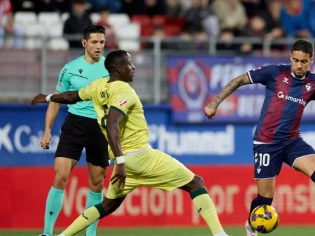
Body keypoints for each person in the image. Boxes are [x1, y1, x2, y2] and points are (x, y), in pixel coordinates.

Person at [31, 50, 229, 236]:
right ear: (118, 69)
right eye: (129, 63)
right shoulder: (125, 91)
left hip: (124, 161)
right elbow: (111, 124)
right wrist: (121, 162)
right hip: (139, 157)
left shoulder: (98, 86)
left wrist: (48, 97)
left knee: (107, 205)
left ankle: (63, 235)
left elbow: (72, 96)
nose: (133, 67)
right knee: (196, 183)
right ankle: (220, 234)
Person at [204, 39, 315, 236]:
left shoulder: (314, 83)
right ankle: (251, 226)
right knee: (265, 199)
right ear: (291, 57)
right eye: (295, 60)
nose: (299, 65)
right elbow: (240, 79)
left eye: (303, 61)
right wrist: (215, 103)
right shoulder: (275, 73)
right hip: (266, 143)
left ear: (311, 60)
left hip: (292, 141)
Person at [39, 25, 110, 236]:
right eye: (95, 42)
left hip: (99, 126)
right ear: (84, 43)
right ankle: (47, 233)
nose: (98, 46)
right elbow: (55, 100)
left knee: (97, 183)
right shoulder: (69, 69)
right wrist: (47, 131)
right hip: (75, 124)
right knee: (60, 176)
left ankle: (90, 234)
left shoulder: (111, 69)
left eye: (102, 42)